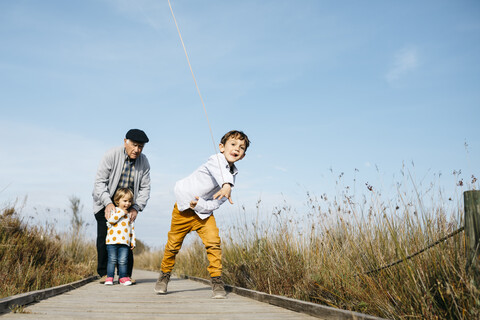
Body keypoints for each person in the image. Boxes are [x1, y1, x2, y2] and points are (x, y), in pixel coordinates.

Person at [154, 130, 250, 299]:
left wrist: (200, 204)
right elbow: (221, 173)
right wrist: (226, 185)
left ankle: (217, 282)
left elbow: (216, 203)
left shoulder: (232, 176)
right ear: (221, 147)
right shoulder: (216, 160)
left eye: (241, 148)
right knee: (173, 246)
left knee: (214, 244)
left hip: (203, 214)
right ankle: (164, 276)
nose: (237, 149)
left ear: (242, 156)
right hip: (183, 209)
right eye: (233, 144)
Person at [93, 129, 151, 284]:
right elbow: (100, 183)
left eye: (140, 147)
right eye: (134, 145)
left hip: (128, 203)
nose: (137, 150)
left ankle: (125, 275)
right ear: (125, 141)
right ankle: (105, 274)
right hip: (106, 200)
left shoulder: (144, 162)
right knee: (104, 237)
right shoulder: (111, 155)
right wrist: (108, 203)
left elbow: (145, 188)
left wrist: (136, 207)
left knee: (125, 237)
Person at [105, 188, 136, 286]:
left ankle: (122, 277)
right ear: (118, 200)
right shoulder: (114, 210)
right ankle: (109, 277)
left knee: (123, 261)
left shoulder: (129, 214)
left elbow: (132, 229)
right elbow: (110, 221)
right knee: (112, 260)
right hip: (112, 242)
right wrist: (122, 213)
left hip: (124, 242)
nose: (127, 204)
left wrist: (133, 241)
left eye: (129, 201)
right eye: (125, 201)